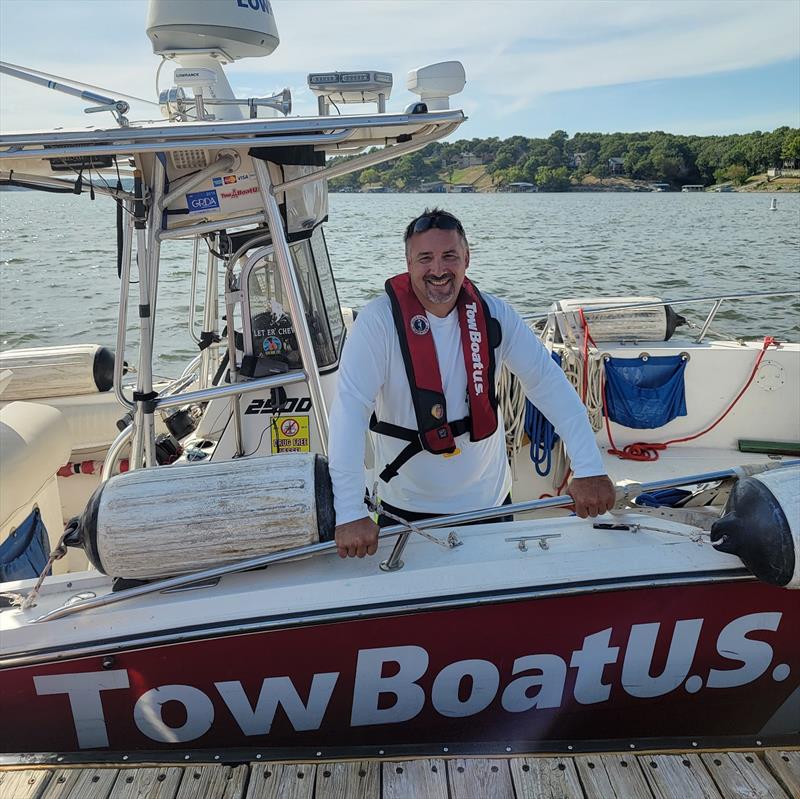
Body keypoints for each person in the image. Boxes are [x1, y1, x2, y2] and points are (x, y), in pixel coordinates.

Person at [328, 208, 615, 558]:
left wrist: (589, 468)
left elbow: (547, 383)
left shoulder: (495, 315)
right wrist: (350, 511)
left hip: (490, 505)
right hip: (407, 511)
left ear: (467, 258)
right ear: (408, 263)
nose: (438, 270)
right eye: (425, 258)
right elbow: (349, 412)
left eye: (450, 256)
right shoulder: (378, 323)